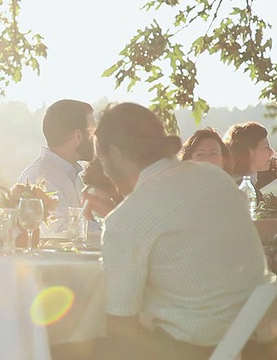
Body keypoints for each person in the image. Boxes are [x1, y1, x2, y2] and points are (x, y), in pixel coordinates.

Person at [87, 103, 273, 360]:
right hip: (259, 341)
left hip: (196, 351)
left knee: (72, 345)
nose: (104, 170)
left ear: (115, 154)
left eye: (102, 159)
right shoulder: (213, 177)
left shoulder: (126, 220)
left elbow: (121, 328)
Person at [16, 99, 95, 235]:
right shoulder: (40, 178)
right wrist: (109, 230)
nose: (97, 139)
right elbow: (59, 233)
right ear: (78, 135)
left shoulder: (72, 176)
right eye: (94, 132)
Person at [223, 121, 276, 201]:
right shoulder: (244, 190)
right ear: (249, 151)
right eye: (266, 147)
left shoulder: (233, 181)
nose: (271, 152)